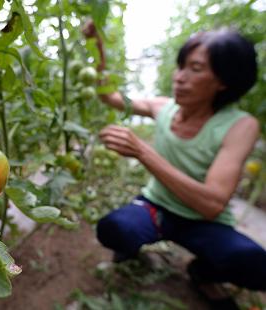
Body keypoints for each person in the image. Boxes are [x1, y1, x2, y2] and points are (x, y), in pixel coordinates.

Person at [82, 21, 266, 309]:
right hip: (157, 208)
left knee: (257, 266)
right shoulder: (163, 107)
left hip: (204, 223)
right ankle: (129, 250)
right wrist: (98, 46)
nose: (179, 77)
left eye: (195, 69)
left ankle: (203, 274)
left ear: (224, 80)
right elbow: (109, 96)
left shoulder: (239, 125)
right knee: (115, 228)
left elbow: (211, 204)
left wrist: (143, 151)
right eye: (181, 67)